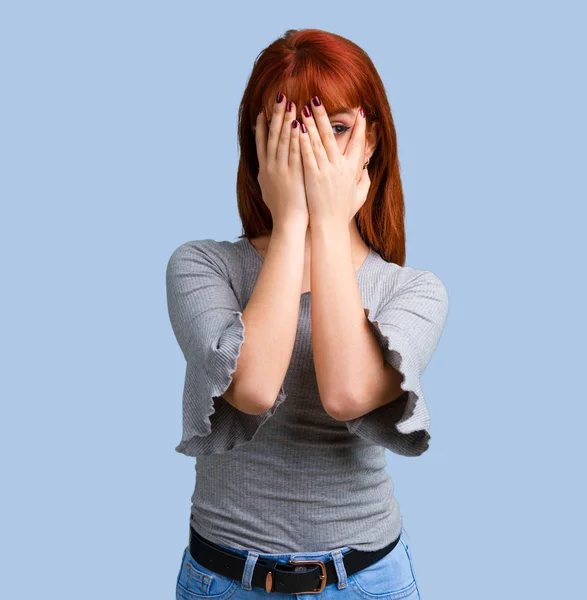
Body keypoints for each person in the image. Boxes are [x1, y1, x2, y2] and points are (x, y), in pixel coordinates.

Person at [166, 28, 448, 599]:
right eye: (288, 129)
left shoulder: (415, 290)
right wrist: (293, 221)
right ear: (256, 142)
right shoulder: (201, 265)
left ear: (372, 142)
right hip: (223, 577)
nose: (311, 150)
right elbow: (251, 389)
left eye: (336, 129)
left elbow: (346, 394)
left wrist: (323, 222)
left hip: (366, 581)